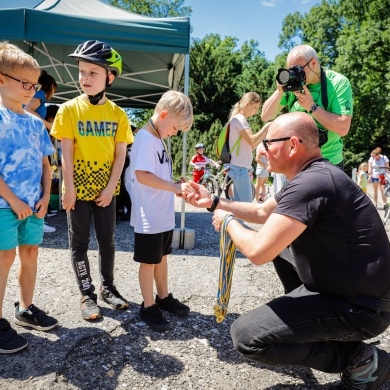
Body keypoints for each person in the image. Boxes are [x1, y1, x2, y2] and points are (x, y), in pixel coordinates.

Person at [184, 112, 390, 389]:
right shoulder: (313, 176)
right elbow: (260, 211)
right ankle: (312, 326)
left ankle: (363, 360)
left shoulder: (310, 183)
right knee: (281, 244)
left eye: (268, 143)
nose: (262, 150)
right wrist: (214, 202)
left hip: (365, 309)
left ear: (293, 145)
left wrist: (229, 222)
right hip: (352, 292)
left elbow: (258, 252)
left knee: (246, 337)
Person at [51, 40, 134, 321]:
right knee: (80, 243)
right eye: (82, 72)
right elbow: (66, 154)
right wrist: (69, 189)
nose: (85, 78)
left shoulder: (118, 114)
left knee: (108, 241)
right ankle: (87, 294)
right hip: (77, 187)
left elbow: (121, 155)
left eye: (93, 73)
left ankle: (108, 287)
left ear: (109, 77)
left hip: (106, 188)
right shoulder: (69, 110)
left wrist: (111, 187)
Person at [0, 41, 59, 354]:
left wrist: (46, 195)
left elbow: (46, 165)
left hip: (33, 205)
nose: (31, 89)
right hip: (4, 205)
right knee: (4, 258)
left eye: (34, 84)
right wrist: (14, 200)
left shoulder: (36, 123)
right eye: (24, 83)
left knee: (31, 252)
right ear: (1, 79)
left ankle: (25, 309)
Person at [125, 90, 194, 332]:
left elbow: (158, 174)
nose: (174, 133)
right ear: (163, 115)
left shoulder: (158, 137)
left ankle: (163, 297)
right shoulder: (145, 138)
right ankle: (148, 305)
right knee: (148, 261)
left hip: (162, 214)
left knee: (162, 257)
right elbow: (142, 176)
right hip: (149, 215)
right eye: (175, 128)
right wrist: (174, 186)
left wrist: (175, 184)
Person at [261, 44, 353, 170]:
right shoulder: (292, 86)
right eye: (291, 71)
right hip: (295, 164)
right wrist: (279, 91)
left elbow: (343, 128)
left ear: (313, 63)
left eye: (298, 69)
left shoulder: (338, 83)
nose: (296, 75)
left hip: (328, 162)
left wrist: (312, 107)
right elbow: (266, 116)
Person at [24, 70, 58, 232]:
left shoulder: (36, 94)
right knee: (40, 176)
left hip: (30, 140)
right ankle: (38, 218)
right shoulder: (40, 94)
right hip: (33, 141)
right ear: (50, 86)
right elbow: (28, 110)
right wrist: (48, 125)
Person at [226, 92, 270, 202]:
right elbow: (252, 141)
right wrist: (266, 127)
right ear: (248, 104)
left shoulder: (238, 119)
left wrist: (264, 133)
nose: (256, 111)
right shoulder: (240, 119)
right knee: (246, 205)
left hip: (239, 168)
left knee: (240, 205)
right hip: (240, 168)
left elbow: (251, 146)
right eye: (255, 107)